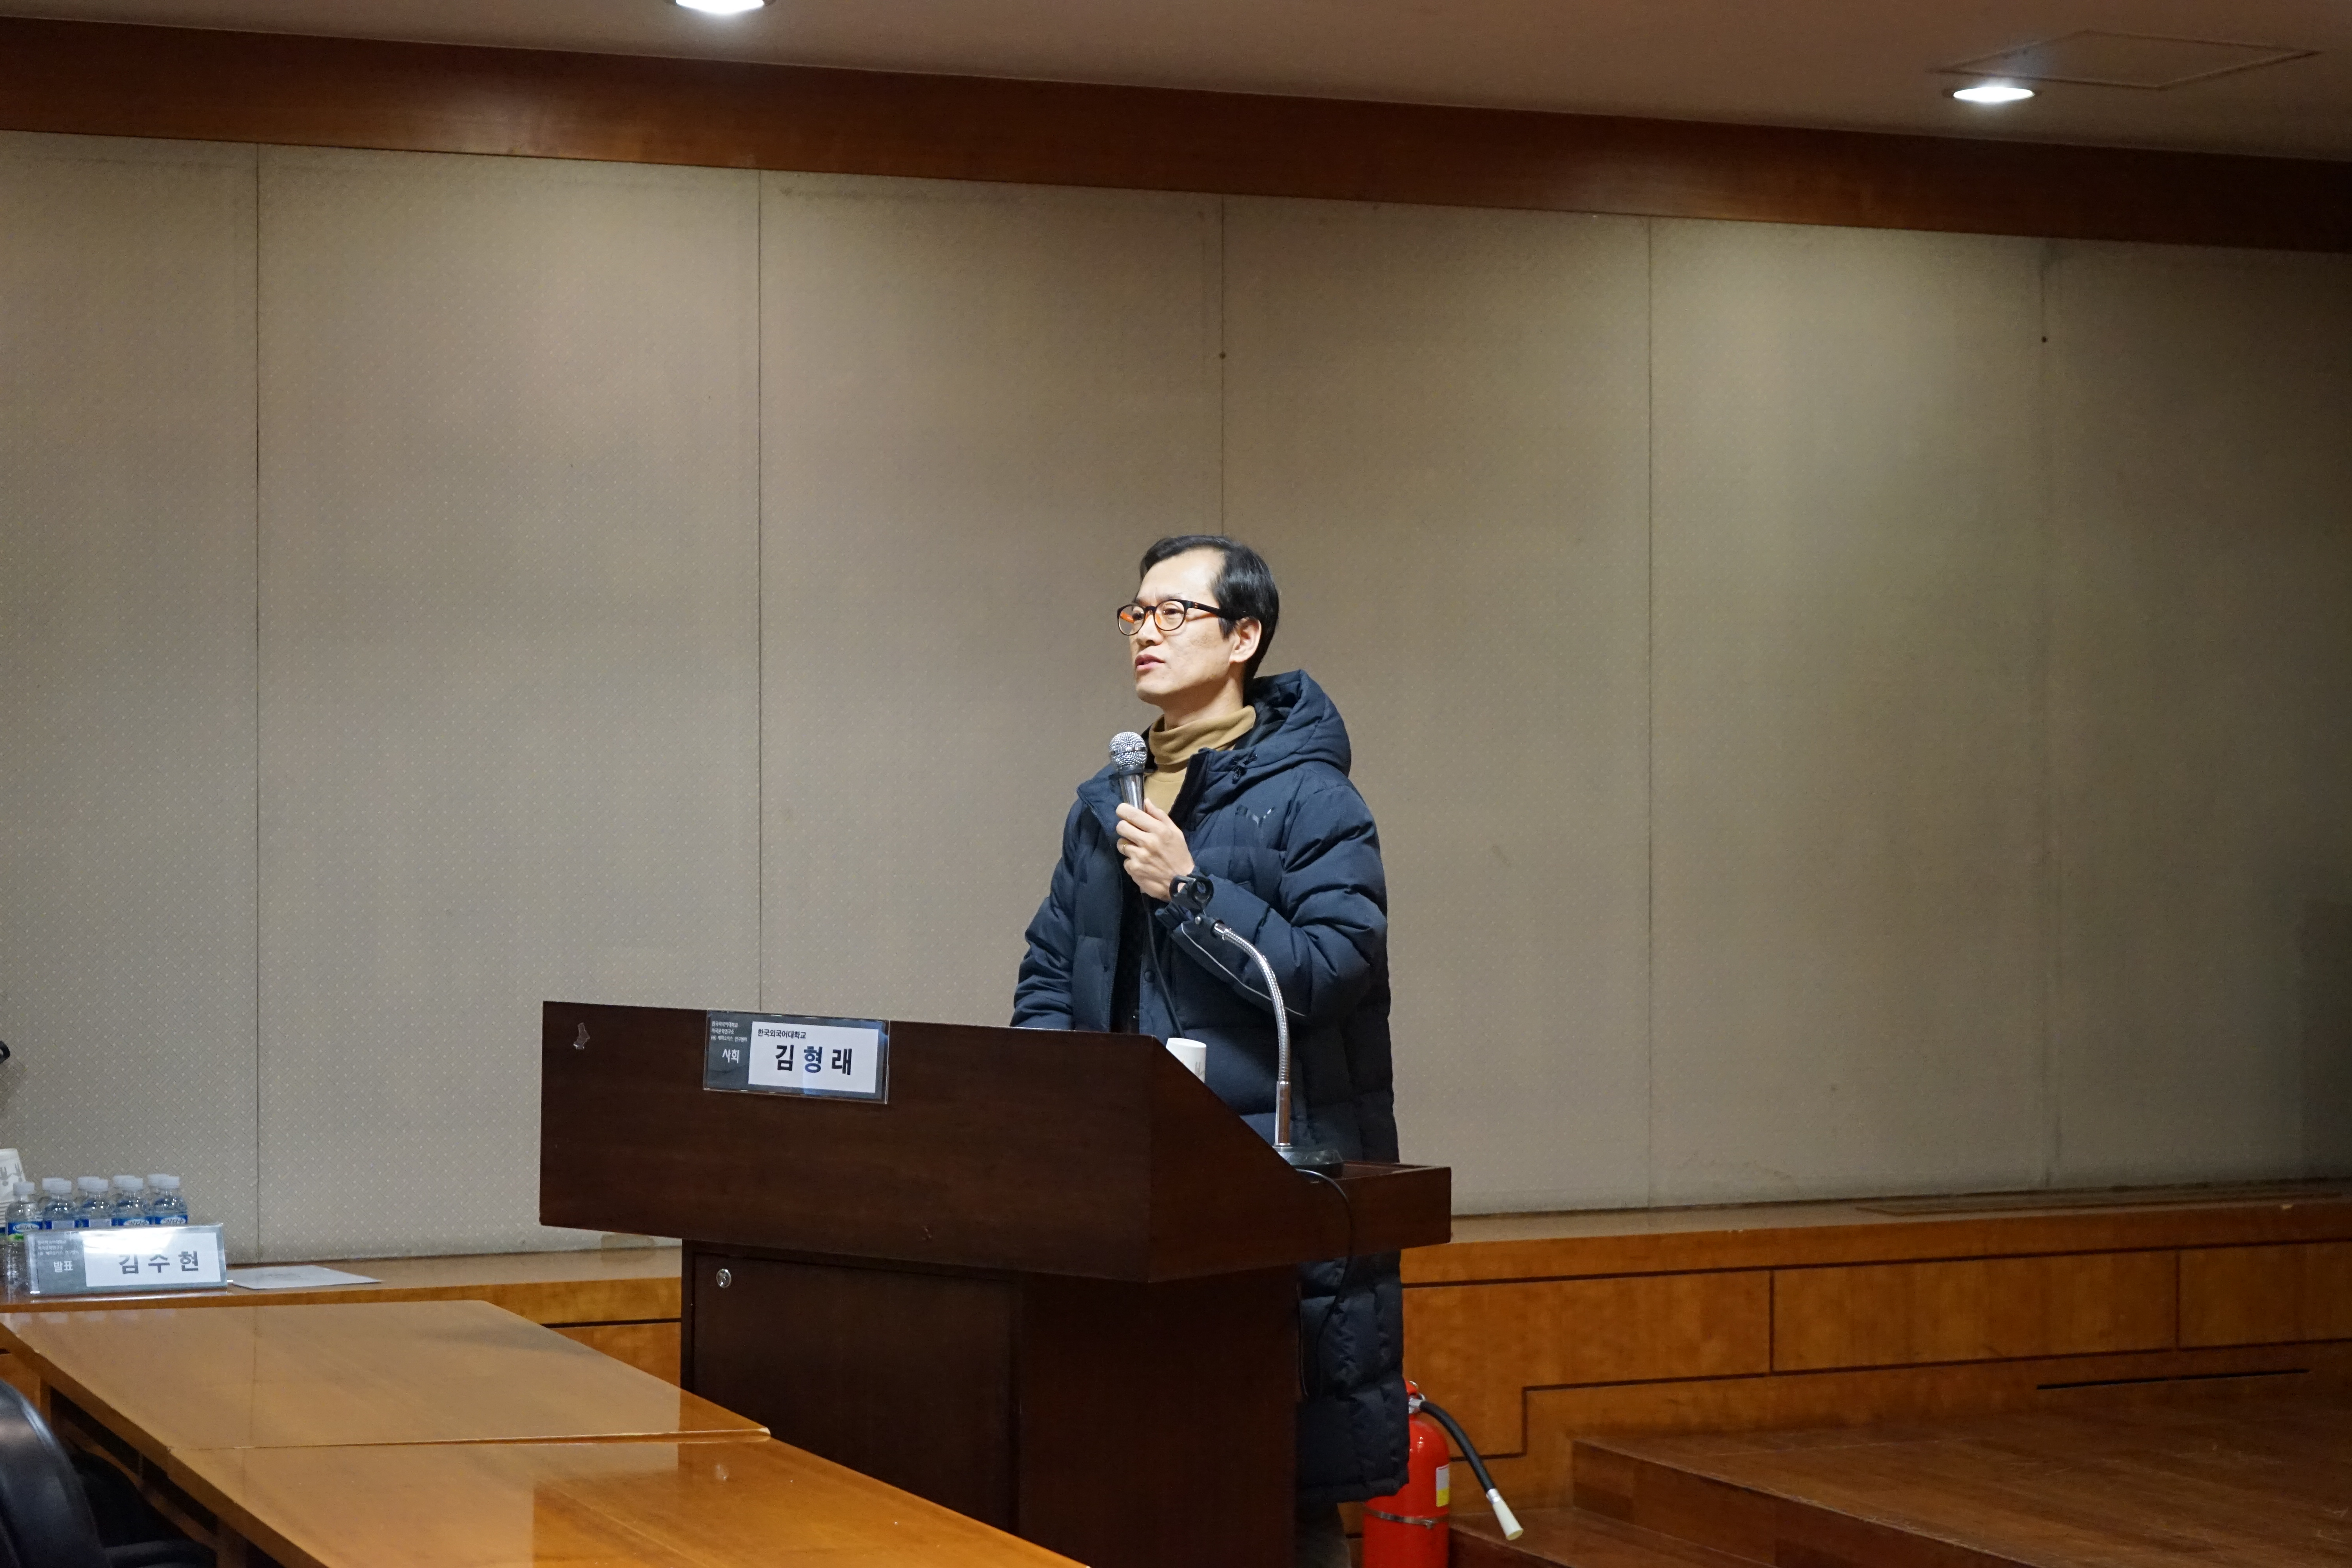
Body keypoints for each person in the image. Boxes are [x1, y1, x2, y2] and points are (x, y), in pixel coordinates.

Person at [1013, 534, 1405, 1568]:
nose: (1146, 632)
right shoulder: (1108, 804)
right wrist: (1055, 1111)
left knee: (1272, 1488)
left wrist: (1193, 891)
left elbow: (1331, 972)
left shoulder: (1314, 799)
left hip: (1264, 1193)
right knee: (1135, 1474)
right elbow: (1050, 972)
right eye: (1136, 613)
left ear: (1243, 637)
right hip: (1127, 1194)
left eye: (1174, 613)